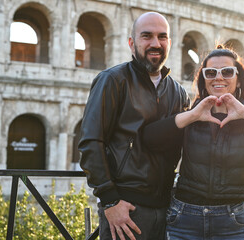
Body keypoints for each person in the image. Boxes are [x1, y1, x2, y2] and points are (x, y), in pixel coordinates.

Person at [142, 45, 244, 240]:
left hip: (233, 221)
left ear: (238, 78)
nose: (218, 77)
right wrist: (191, 116)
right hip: (184, 219)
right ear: (204, 80)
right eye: (210, 72)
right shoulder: (191, 116)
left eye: (227, 71)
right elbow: (148, 139)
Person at [78, 12, 190, 240]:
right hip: (125, 209)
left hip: (167, 209)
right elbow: (91, 142)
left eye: (162, 37)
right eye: (146, 36)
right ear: (131, 43)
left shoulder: (178, 92)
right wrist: (110, 201)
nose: (155, 44)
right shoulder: (112, 80)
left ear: (169, 42)